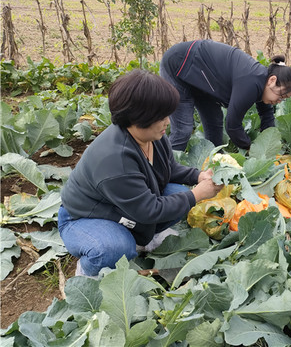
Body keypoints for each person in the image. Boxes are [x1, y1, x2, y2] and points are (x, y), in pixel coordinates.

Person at [58, 69, 222, 277]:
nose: (168, 122)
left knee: (177, 193)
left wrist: (197, 177)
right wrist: (197, 194)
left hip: (125, 209)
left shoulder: (152, 137)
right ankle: (89, 271)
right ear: (138, 117)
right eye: (161, 116)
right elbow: (149, 210)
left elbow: (169, 168)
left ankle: (146, 237)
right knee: (116, 249)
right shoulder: (114, 160)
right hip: (85, 218)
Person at [160, 39, 291, 151]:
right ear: (272, 80)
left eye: (284, 99)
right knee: (183, 129)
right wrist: (250, 148)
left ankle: (213, 161)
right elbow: (233, 126)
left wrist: (270, 146)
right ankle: (168, 169)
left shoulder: (263, 83)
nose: (279, 101)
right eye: (281, 96)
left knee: (214, 120)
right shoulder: (251, 83)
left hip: (202, 77)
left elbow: (267, 117)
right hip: (180, 64)